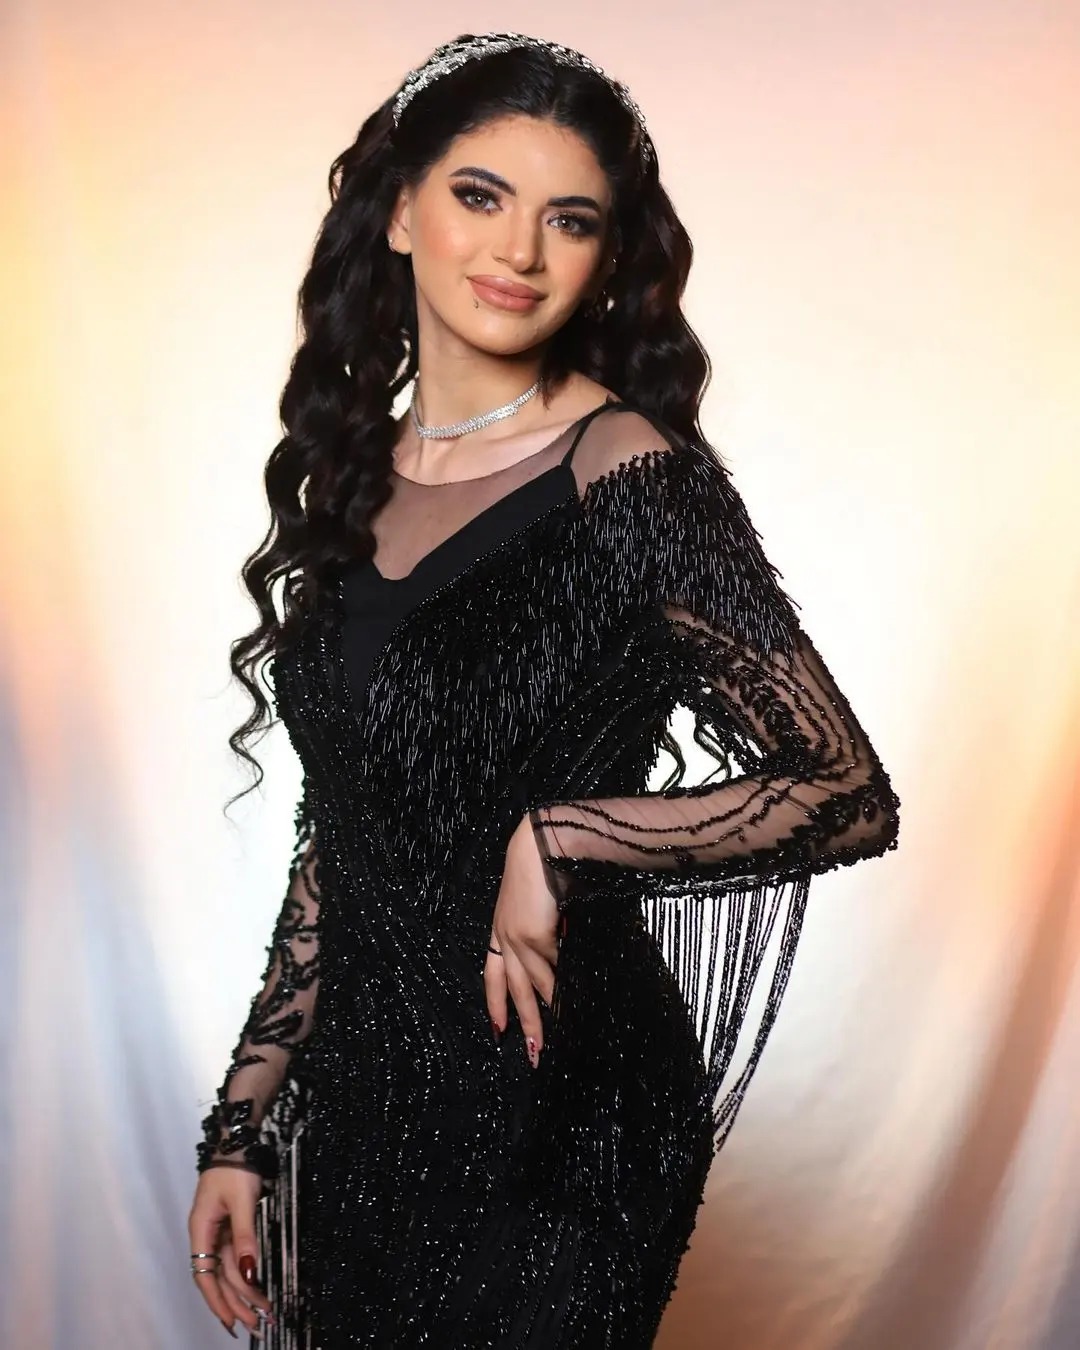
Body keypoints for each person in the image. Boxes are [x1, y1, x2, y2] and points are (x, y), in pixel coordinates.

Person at [187, 30, 901, 1349]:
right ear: (399, 211)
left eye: (568, 219)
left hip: (562, 1093)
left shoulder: (626, 471)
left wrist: (561, 837)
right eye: (480, 196)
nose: (519, 250)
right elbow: (346, 838)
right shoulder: (353, 477)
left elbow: (844, 790)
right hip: (369, 1099)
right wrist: (242, 1123)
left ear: (605, 256)